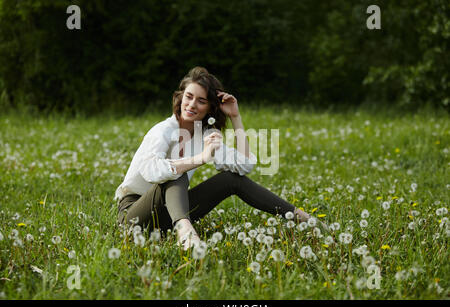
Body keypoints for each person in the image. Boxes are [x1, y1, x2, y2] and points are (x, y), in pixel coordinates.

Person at [115, 66, 325, 250]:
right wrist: (201, 158)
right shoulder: (162, 131)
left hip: (169, 213)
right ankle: (185, 231)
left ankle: (303, 218)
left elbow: (244, 165)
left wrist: (235, 117)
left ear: (210, 108)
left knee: (231, 179)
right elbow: (152, 171)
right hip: (133, 217)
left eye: (201, 100)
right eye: (189, 97)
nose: (192, 104)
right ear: (180, 97)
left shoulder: (205, 134)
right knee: (175, 172)